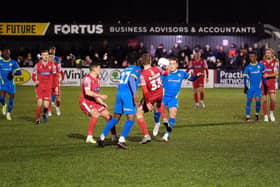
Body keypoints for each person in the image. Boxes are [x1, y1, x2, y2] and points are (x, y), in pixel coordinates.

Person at [96, 53, 141, 149]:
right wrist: (134, 94)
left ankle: (101, 137)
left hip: (119, 93)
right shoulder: (136, 69)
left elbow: (120, 83)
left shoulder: (124, 70)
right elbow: (131, 80)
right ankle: (121, 140)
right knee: (131, 119)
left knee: (115, 118)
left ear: (127, 62)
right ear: (136, 61)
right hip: (128, 95)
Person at [161, 57, 201, 141]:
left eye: (173, 64)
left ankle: (166, 135)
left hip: (173, 98)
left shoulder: (181, 73)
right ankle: (157, 124)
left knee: (173, 114)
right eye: (170, 64)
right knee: (157, 113)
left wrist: (197, 76)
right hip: (163, 97)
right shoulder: (165, 73)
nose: (171, 66)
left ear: (177, 65)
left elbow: (192, 79)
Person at [79, 61, 117, 144]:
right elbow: (87, 92)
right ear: (93, 69)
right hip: (85, 102)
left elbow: (95, 94)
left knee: (109, 116)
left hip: (94, 101)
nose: (100, 70)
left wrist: (101, 102)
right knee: (95, 114)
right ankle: (89, 137)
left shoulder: (98, 79)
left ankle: (114, 136)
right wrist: (101, 96)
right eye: (99, 68)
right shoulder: (87, 79)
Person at [136, 53, 168, 144]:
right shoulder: (157, 69)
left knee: (138, 114)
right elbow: (166, 73)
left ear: (142, 63)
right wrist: (166, 67)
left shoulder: (142, 75)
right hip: (159, 94)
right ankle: (164, 119)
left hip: (151, 96)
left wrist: (147, 102)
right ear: (150, 61)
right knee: (158, 106)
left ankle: (146, 136)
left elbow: (145, 91)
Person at [32, 50, 56, 124]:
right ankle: (37, 119)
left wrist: (55, 87)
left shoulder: (52, 65)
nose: (46, 56)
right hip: (39, 87)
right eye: (44, 55)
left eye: (47, 55)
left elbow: (55, 77)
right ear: (41, 56)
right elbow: (33, 75)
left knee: (46, 106)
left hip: (48, 87)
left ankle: (44, 113)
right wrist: (35, 80)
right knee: (39, 103)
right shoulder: (37, 65)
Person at [243, 51, 267, 122]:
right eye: (250, 57)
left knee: (258, 101)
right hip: (250, 87)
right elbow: (245, 78)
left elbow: (264, 76)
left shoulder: (261, 65)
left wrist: (265, 85)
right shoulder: (248, 67)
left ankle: (256, 115)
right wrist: (245, 86)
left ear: (256, 57)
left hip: (258, 87)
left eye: (253, 56)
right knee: (249, 101)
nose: (252, 58)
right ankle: (247, 116)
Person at [0, 49, 22, 120]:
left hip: (11, 83)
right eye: (5, 53)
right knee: (1, 98)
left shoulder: (13, 62)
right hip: (3, 82)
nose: (6, 54)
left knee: (11, 99)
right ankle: (4, 105)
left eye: (7, 53)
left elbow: (20, 72)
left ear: (9, 54)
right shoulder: (0, 62)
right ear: (3, 54)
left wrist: (13, 73)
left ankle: (8, 113)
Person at [261, 48, 279, 122]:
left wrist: (268, 75)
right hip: (264, 83)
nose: (267, 54)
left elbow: (276, 73)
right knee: (264, 100)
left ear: (272, 54)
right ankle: (265, 115)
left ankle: (271, 113)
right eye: (266, 53)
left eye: (269, 53)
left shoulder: (275, 62)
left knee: (273, 100)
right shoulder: (262, 62)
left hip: (271, 83)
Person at [48, 50, 65, 116]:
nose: (51, 58)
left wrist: (62, 80)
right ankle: (49, 111)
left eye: (52, 57)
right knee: (48, 98)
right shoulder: (46, 65)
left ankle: (57, 108)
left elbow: (62, 73)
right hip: (48, 84)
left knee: (58, 100)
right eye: (49, 57)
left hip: (55, 84)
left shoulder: (57, 65)